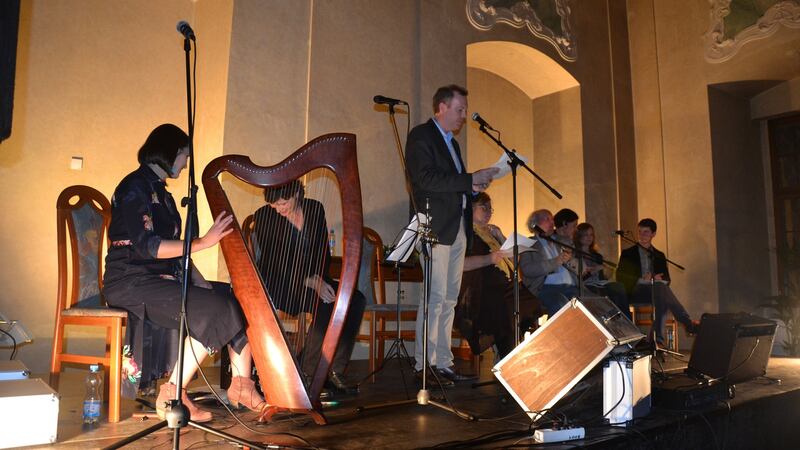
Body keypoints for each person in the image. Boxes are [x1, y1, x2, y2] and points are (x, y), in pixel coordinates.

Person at [103, 124, 264, 423]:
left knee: (233, 295)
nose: (186, 163)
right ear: (169, 152)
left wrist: (202, 282)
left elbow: (177, 255)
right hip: (130, 281)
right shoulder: (133, 187)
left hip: (162, 279)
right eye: (184, 156)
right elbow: (147, 246)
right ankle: (173, 395)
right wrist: (202, 243)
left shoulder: (163, 196)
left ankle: (242, 385)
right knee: (214, 309)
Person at [405, 84, 499, 383]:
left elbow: (454, 184)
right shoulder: (421, 136)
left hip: (457, 226)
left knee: (449, 299)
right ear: (442, 107)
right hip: (433, 226)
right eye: (459, 110)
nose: (463, 116)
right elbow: (425, 178)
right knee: (434, 297)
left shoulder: (453, 145)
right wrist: (467, 179)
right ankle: (424, 364)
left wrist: (474, 187)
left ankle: (442, 361)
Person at [252, 180, 366, 396]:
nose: (278, 209)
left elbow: (323, 252)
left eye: (283, 203)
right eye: (274, 205)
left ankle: (334, 370)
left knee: (354, 299)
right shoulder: (264, 216)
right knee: (325, 304)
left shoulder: (315, 209)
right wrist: (309, 281)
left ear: (297, 193)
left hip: (314, 280)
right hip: (281, 283)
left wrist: (319, 280)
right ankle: (306, 372)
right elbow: (272, 262)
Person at [456, 193, 542, 359]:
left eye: (490, 209)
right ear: (470, 209)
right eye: (484, 208)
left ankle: (513, 349)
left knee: (529, 303)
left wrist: (501, 237)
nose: (489, 212)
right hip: (479, 289)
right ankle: (506, 356)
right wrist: (489, 259)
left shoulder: (490, 232)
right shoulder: (464, 233)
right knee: (506, 309)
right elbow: (461, 264)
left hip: (505, 286)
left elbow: (515, 261)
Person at [616, 218, 699, 346]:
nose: (642, 235)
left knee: (661, 294)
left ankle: (655, 341)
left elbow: (667, 279)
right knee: (662, 293)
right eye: (640, 232)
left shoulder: (659, 255)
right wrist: (641, 279)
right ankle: (686, 324)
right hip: (635, 291)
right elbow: (620, 277)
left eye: (646, 232)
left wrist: (657, 279)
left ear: (653, 234)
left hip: (654, 291)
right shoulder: (628, 253)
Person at [519, 209, 578, 316]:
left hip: (571, 287)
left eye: (552, 219)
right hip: (545, 288)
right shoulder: (528, 244)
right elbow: (527, 270)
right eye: (547, 219)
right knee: (560, 305)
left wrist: (569, 260)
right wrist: (555, 261)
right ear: (534, 224)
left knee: (591, 303)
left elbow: (577, 266)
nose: (552, 223)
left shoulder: (561, 241)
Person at [573, 223, 630, 318]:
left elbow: (602, 277)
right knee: (600, 291)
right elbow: (576, 278)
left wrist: (608, 271)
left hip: (598, 283)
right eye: (586, 234)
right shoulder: (574, 254)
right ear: (579, 236)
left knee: (618, 287)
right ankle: (606, 319)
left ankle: (625, 319)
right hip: (584, 286)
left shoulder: (597, 256)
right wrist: (592, 272)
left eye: (591, 235)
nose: (589, 237)